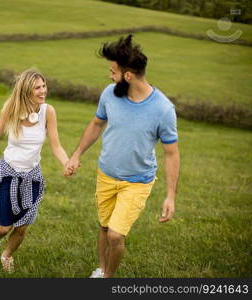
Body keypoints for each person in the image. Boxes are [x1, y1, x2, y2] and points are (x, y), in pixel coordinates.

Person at [64, 35, 180, 278]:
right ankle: (101, 269)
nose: (110, 76)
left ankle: (108, 279)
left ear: (128, 75)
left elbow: (171, 154)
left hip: (137, 181)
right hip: (106, 174)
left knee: (117, 234)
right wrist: (76, 154)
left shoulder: (163, 109)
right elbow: (97, 124)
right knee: (105, 227)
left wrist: (170, 196)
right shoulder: (110, 93)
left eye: (113, 72)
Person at [0, 69, 69, 273]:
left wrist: (66, 163)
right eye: (38, 87)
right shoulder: (11, 109)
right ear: (27, 90)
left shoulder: (48, 111)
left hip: (32, 177)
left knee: (22, 226)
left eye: (44, 85)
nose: (43, 90)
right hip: (8, 175)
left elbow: (56, 145)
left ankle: (7, 255)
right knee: (5, 226)